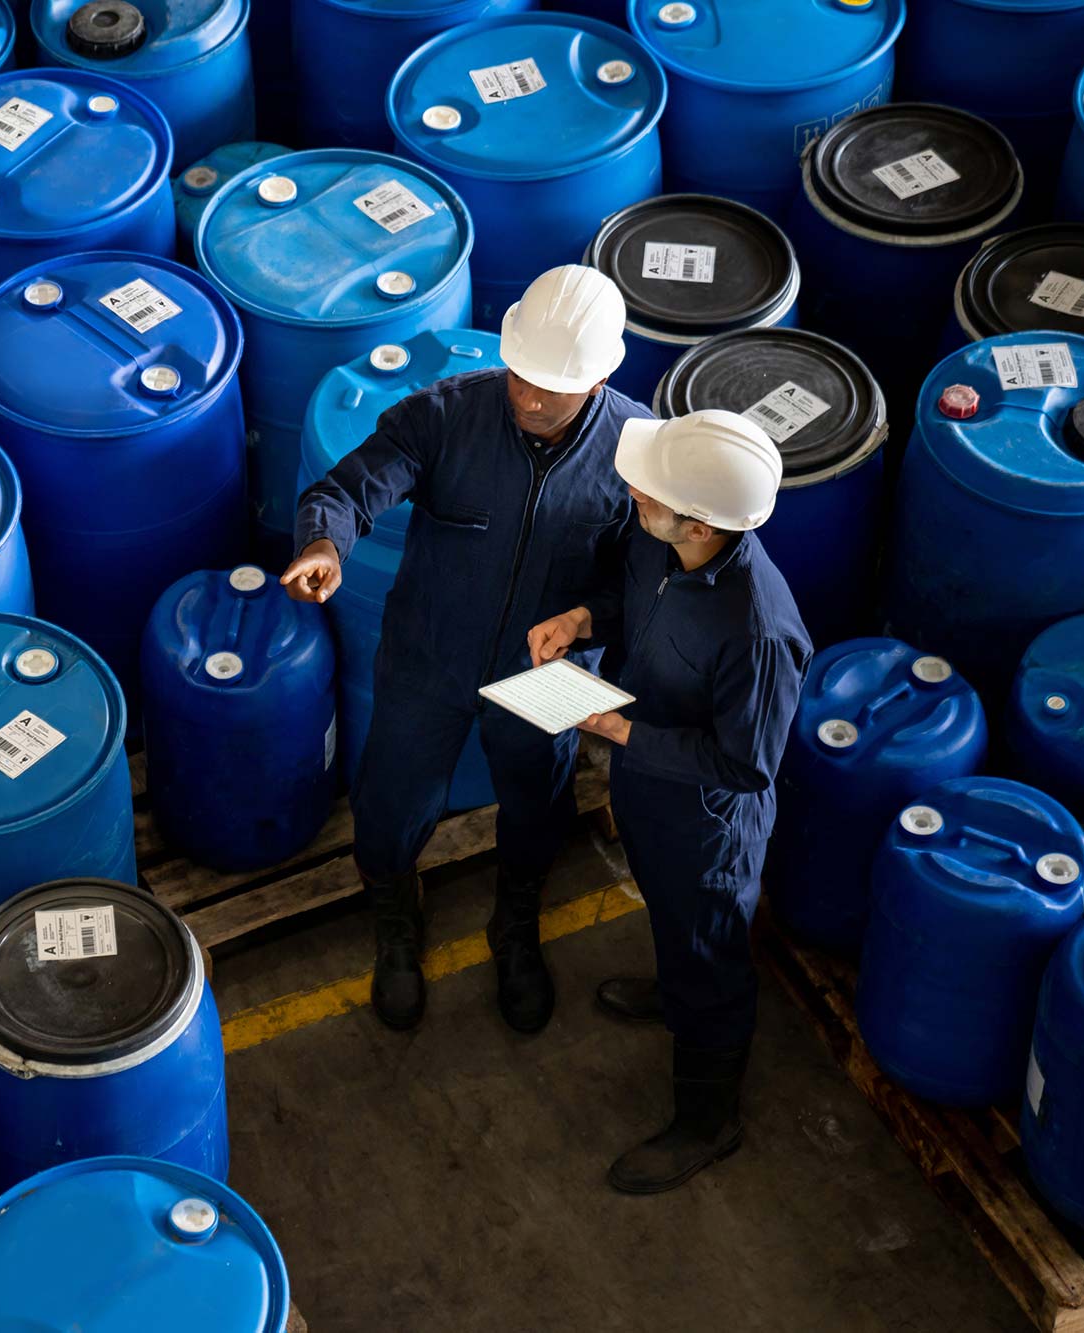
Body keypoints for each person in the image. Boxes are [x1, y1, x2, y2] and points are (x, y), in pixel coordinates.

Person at [282, 265, 645, 1035]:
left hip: (546, 678)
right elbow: (348, 489)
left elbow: (639, 589)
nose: (528, 396)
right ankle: (397, 916)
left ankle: (514, 923)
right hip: (429, 655)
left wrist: (585, 619)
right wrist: (325, 543)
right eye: (520, 373)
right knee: (387, 804)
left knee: (536, 806)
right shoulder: (447, 414)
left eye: (552, 384)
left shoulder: (634, 456)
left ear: (604, 373)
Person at [527, 408, 811, 1194]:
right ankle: (677, 990)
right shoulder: (661, 541)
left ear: (702, 522)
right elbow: (631, 599)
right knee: (668, 918)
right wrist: (584, 619)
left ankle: (708, 1119)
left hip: (706, 831)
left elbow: (746, 764)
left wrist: (620, 727)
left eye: (648, 489)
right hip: (648, 795)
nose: (630, 489)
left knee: (710, 957)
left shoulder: (756, 630)